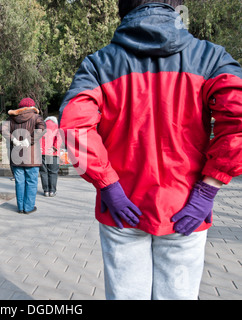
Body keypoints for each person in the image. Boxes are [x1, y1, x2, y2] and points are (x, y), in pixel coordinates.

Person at [59, 0, 242, 300]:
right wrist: (208, 190)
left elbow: (73, 126)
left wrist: (108, 184)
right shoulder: (211, 58)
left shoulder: (99, 64)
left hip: (122, 208)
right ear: (177, 6)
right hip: (186, 209)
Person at [2, 98, 45, 214]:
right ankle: (29, 207)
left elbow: (2, 129)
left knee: (19, 181)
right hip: (32, 157)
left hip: (16, 156)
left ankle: (20, 207)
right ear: (32, 106)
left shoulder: (11, 118)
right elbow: (42, 129)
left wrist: (14, 140)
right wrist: (29, 140)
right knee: (31, 181)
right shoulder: (36, 117)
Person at [39, 116, 62, 197]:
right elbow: (59, 138)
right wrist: (54, 148)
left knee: (43, 172)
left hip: (42, 153)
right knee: (53, 172)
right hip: (53, 153)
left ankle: (46, 191)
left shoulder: (41, 126)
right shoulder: (57, 126)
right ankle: (52, 191)